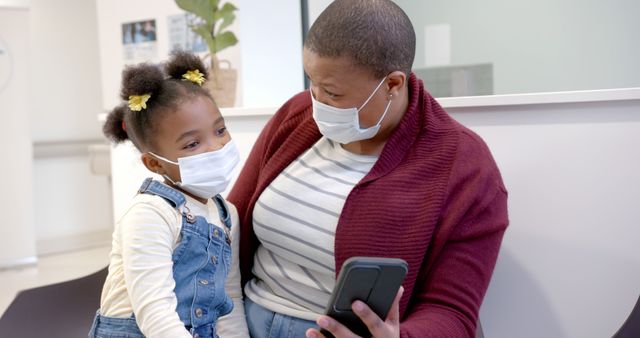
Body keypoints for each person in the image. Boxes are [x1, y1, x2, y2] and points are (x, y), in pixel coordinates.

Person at [227, 0, 509, 337]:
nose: (316, 100)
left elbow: (452, 311)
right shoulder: (296, 116)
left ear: (392, 84)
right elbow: (231, 226)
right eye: (312, 82)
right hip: (241, 321)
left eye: (332, 92)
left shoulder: (464, 164)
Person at [90, 51, 249, 338]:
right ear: (155, 163)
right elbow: (156, 314)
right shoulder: (150, 214)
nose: (216, 147)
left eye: (220, 130)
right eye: (192, 144)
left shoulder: (227, 215)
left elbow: (230, 300)